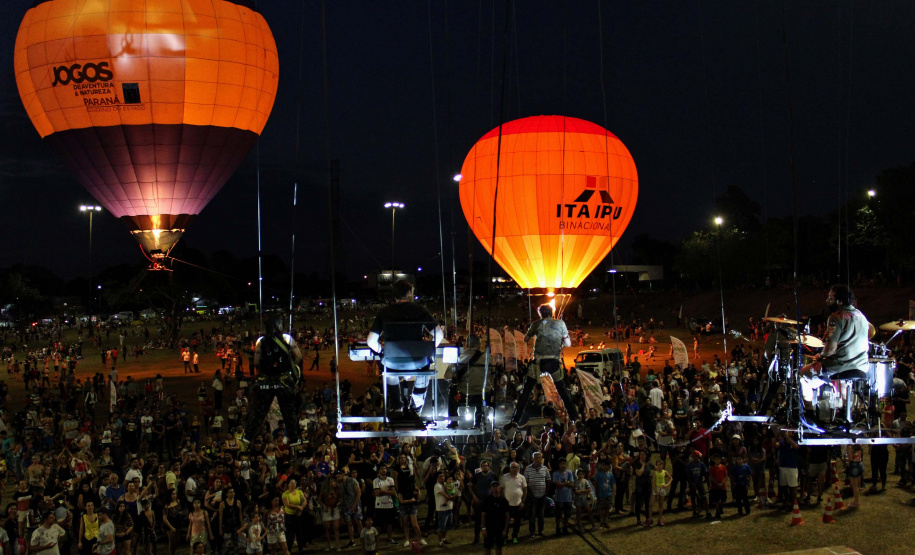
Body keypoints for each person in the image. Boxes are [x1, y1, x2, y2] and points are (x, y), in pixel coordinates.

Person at [367, 279, 444, 416]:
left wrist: (382, 351)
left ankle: (397, 406)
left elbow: (371, 341)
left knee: (388, 368)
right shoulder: (419, 309)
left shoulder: (384, 312)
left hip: (392, 360)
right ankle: (417, 405)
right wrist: (429, 350)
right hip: (417, 360)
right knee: (425, 368)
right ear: (409, 292)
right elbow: (438, 333)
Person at [801, 285, 869, 423]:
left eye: (831, 298)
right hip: (861, 366)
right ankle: (845, 413)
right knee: (844, 381)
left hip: (842, 365)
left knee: (803, 375)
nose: (828, 300)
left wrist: (821, 356)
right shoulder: (862, 316)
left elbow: (830, 349)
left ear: (840, 301)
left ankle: (809, 414)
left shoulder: (836, 317)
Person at [505, 303, 578, 429]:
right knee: (563, 391)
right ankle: (575, 418)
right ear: (552, 313)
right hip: (554, 361)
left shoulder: (536, 324)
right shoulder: (560, 323)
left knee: (526, 392)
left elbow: (525, 339)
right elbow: (568, 343)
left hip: (538, 362)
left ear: (540, 314)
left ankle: (516, 419)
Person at [245, 316, 303, 441]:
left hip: (266, 380)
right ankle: (294, 438)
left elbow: (256, 362)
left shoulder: (261, 341)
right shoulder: (287, 338)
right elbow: (298, 357)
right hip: (284, 380)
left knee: (259, 410)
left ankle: (248, 436)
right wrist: (288, 366)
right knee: (289, 411)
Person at [448, 334, 490, 428]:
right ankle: (478, 422)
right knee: (483, 391)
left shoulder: (460, 358)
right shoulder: (488, 357)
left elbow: (447, 375)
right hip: (483, 395)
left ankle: (454, 422)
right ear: (479, 345)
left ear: (466, 345)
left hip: (466, 395)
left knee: (451, 392)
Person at [498, 462, 526, 543]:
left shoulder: (522, 478)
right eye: (513, 467)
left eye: (516, 467)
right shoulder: (504, 477)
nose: (514, 469)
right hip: (507, 504)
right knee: (505, 522)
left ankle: (515, 536)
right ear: (510, 468)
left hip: (518, 504)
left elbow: (525, 489)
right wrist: (503, 501)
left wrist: (523, 502)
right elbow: (501, 489)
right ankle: (505, 537)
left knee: (517, 522)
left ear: (518, 469)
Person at [480, 482, 509, 555]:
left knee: (499, 547)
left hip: (500, 528)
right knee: (487, 547)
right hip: (489, 527)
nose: (496, 488)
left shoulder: (504, 501)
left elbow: (507, 516)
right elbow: (483, 515)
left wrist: (505, 530)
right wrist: (483, 528)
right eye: (494, 486)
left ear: (500, 488)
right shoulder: (487, 500)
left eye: (497, 486)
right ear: (491, 488)